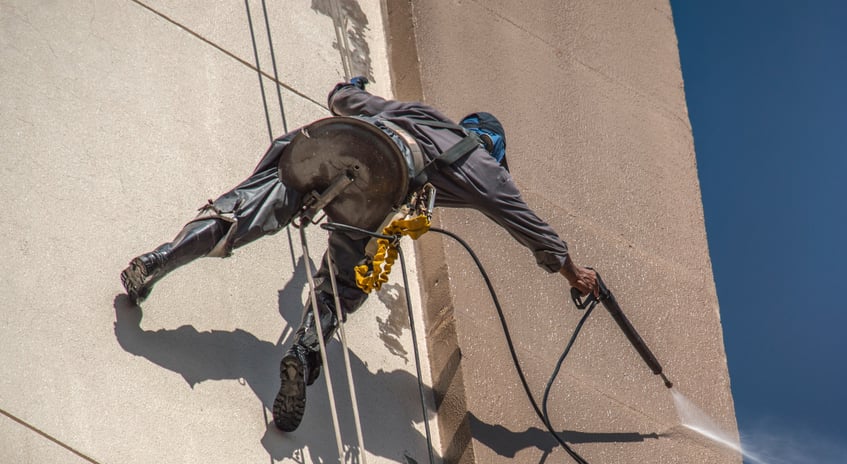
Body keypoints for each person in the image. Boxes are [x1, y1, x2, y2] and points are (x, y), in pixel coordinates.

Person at [121, 77, 599, 432]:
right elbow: (529, 225)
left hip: (335, 140)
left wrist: (351, 85)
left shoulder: (421, 113)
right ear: (492, 147)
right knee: (342, 283)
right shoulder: (483, 165)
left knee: (241, 210)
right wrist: (573, 274)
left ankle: (159, 260)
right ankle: (304, 353)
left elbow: (343, 99)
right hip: (382, 175)